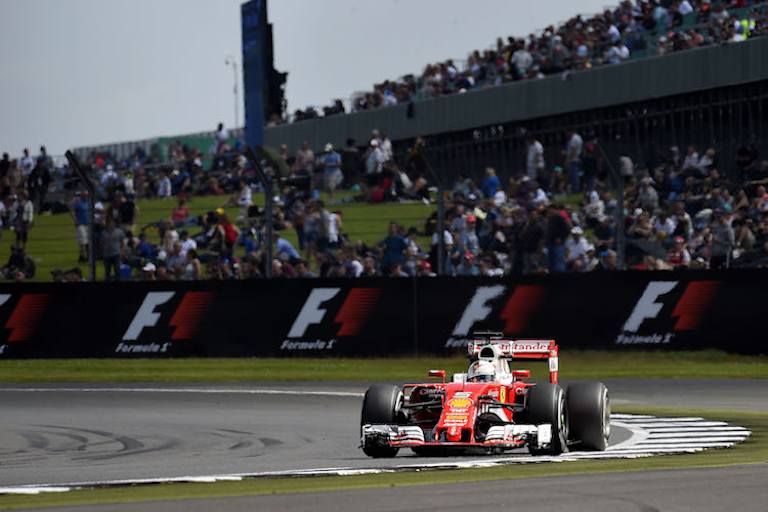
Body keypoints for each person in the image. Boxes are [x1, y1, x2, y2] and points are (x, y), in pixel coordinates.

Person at [70, 191, 90, 262]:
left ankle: (85, 256)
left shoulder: (88, 203)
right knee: (83, 241)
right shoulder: (78, 202)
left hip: (88, 224)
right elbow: (72, 210)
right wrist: (75, 220)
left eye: (87, 195)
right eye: (84, 195)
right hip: (81, 224)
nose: (86, 196)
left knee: (88, 241)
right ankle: (84, 256)